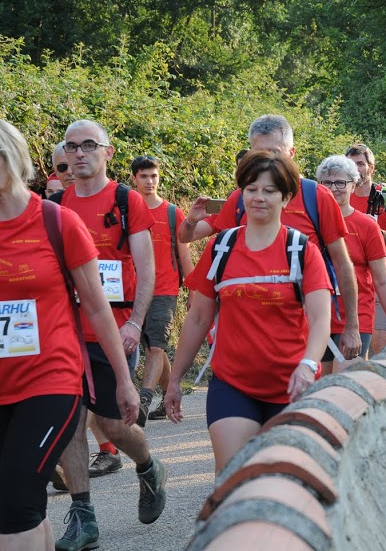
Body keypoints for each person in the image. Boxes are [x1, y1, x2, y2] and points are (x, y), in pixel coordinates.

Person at [0, 120, 139, 551]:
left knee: (15, 499)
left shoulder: (55, 221)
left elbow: (97, 307)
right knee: (22, 506)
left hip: (51, 380)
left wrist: (124, 379)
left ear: (8, 162)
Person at [165, 152, 332, 473]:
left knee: (281, 479)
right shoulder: (222, 248)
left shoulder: (300, 251)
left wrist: (309, 365)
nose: (259, 197)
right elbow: (199, 318)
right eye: (252, 188)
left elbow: (320, 318)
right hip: (233, 384)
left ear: (286, 198)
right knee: (232, 477)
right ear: (241, 192)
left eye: (269, 191)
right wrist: (175, 379)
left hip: (290, 385)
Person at [52, 119, 167, 549]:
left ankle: (148, 464)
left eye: (88, 145)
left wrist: (136, 323)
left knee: (114, 425)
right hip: (67, 331)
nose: (79, 153)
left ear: (107, 152)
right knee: (68, 422)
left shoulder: (126, 200)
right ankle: (83, 516)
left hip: (116, 329)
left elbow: (148, 268)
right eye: (71, 146)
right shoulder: (58, 205)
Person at [177, 114, 361, 359]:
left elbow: (341, 262)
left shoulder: (316, 197)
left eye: (274, 152)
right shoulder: (242, 198)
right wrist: (190, 219)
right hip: (247, 332)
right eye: (257, 153)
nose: (266, 161)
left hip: (303, 329)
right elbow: (186, 236)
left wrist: (352, 326)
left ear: (291, 152)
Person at [315, 155, 386, 367]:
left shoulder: (366, 226)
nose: (334, 188)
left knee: (345, 385)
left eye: (341, 183)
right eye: (327, 182)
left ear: (353, 186)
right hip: (317, 318)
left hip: (356, 319)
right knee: (317, 389)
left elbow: (382, 280)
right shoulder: (310, 222)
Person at [130, 156, 195, 422]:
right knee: (151, 346)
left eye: (154, 176)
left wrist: (193, 289)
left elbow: (184, 253)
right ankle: (168, 396)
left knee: (156, 346)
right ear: (134, 178)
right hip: (132, 291)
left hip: (165, 289)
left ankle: (143, 400)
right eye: (144, 176)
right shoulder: (128, 209)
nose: (149, 181)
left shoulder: (172, 212)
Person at [345, 144, 386, 354]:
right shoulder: (337, 196)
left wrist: (374, 231)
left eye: (360, 164)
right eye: (351, 164)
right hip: (349, 275)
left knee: (379, 339)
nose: (356, 169)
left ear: (371, 167)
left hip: (382, 274)